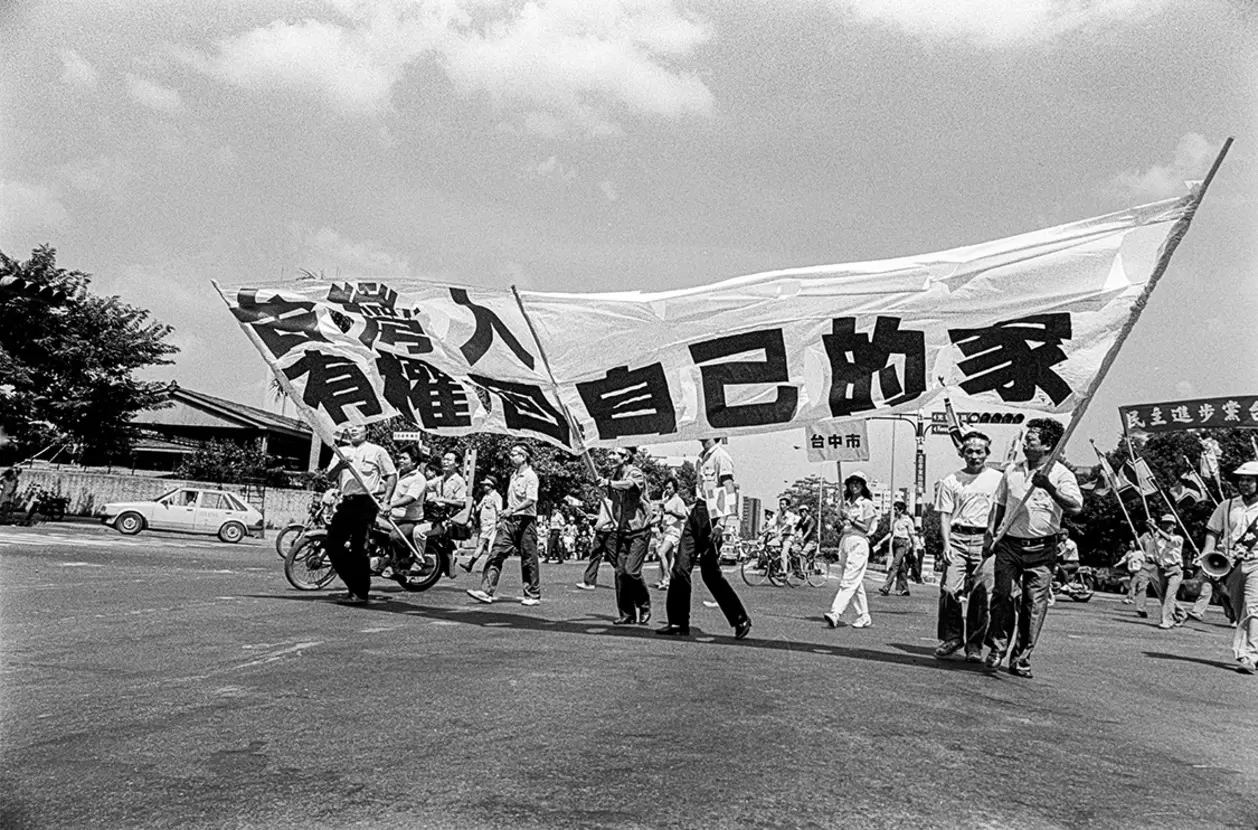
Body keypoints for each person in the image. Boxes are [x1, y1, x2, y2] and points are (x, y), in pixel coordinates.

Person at [981, 417, 1082, 678]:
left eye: (1032, 440)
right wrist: (990, 534)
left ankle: (1021, 657)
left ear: (1048, 445)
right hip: (1010, 545)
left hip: (1042, 549)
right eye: (1026, 439)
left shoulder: (1060, 473)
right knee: (1002, 596)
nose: (1025, 443)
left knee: (1033, 605)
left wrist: (1048, 487)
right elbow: (999, 504)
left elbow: (1075, 506)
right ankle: (997, 648)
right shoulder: (1012, 471)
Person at [658, 437, 752, 639]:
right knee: (679, 569)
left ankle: (740, 618)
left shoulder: (721, 457)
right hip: (698, 511)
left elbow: (728, 488)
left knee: (710, 575)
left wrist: (722, 523)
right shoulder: (701, 458)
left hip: (713, 515)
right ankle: (677, 622)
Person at [934, 431, 1002, 661]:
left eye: (979, 452)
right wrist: (946, 544)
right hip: (958, 538)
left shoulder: (997, 479)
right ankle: (952, 637)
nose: (974, 456)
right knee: (949, 590)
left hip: (986, 540)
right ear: (962, 453)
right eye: (969, 451)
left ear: (986, 453)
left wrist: (993, 539)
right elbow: (944, 514)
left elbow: (1000, 510)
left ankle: (974, 645)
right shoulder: (951, 480)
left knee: (982, 595)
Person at [324, 424, 397, 606]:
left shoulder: (377, 451)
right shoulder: (340, 451)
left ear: (367, 431)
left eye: (358, 426)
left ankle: (360, 592)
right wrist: (340, 465)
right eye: (350, 427)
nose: (353, 430)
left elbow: (391, 475)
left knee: (359, 548)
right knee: (332, 544)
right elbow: (329, 477)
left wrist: (386, 501)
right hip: (346, 502)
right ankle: (353, 583)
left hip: (366, 503)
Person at [1199, 461, 1258, 674]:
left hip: (1256, 562)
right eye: (1242, 479)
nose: (1244, 483)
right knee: (1238, 607)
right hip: (1231, 564)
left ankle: (1249, 655)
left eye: (1249, 480)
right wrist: (1208, 552)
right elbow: (1212, 531)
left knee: (1253, 607)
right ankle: (1246, 651)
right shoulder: (1227, 505)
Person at [468, 442, 542, 606]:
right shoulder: (513, 475)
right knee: (496, 553)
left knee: (528, 559)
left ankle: (533, 595)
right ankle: (486, 591)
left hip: (525, 521)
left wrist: (512, 510)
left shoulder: (531, 476)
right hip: (509, 521)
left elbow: (531, 500)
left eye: (514, 453)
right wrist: (506, 512)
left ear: (523, 457)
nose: (510, 456)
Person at [600, 446, 652, 625]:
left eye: (615, 454)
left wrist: (608, 483)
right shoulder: (614, 476)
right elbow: (612, 504)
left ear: (626, 457)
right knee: (620, 573)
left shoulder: (634, 472)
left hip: (639, 531)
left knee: (632, 571)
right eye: (610, 453)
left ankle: (644, 604)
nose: (611, 456)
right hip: (622, 530)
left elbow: (629, 485)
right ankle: (627, 614)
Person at [823, 471, 877, 630]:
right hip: (845, 541)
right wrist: (839, 521)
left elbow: (866, 528)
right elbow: (839, 523)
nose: (855, 485)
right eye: (852, 482)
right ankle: (864, 615)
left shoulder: (866, 504)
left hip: (859, 542)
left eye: (859, 482)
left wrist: (851, 519)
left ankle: (835, 612)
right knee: (855, 582)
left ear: (863, 486)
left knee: (848, 580)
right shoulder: (844, 503)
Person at [413, 450, 468, 578]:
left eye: (449, 460)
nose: (445, 462)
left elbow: (461, 503)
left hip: (445, 521)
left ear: (457, 464)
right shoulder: (440, 480)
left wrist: (442, 500)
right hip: (434, 517)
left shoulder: (459, 481)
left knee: (418, 531)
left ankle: (419, 560)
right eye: (444, 459)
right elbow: (424, 486)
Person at [1142, 514, 1187, 630]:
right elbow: (1150, 552)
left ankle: (1167, 621)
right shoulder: (1156, 540)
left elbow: (1168, 539)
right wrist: (1150, 528)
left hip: (1175, 570)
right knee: (1164, 597)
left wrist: (1155, 527)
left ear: (1174, 526)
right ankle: (1182, 614)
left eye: (1169, 523)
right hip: (1161, 570)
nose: (1167, 525)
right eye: (1164, 523)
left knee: (1169, 596)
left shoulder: (1178, 538)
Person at [386, 446, 428, 566]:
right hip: (392, 518)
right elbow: (386, 487)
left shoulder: (419, 479)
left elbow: (410, 497)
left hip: (410, 520)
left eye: (404, 458)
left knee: (395, 536)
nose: (400, 461)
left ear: (414, 461)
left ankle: (401, 562)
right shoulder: (396, 475)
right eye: (399, 458)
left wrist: (391, 505)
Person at [460, 476, 502, 574]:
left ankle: (491, 567)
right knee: (481, 545)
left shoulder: (497, 497)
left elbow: (499, 511)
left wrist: (498, 523)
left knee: (490, 547)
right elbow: (478, 508)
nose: (483, 486)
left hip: (491, 526)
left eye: (486, 485)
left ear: (491, 486)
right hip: (484, 525)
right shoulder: (486, 496)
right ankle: (470, 564)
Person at [877, 500, 917, 597]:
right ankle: (903, 589)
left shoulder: (908, 520)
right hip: (894, 542)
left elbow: (912, 535)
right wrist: (881, 541)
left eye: (896, 509)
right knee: (901, 567)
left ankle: (886, 587)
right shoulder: (895, 520)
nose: (894, 511)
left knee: (894, 565)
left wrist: (914, 549)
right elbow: (891, 533)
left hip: (903, 543)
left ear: (902, 510)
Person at [653, 478, 687, 590]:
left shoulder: (679, 501)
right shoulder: (666, 500)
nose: (667, 490)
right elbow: (660, 516)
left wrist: (672, 512)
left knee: (660, 552)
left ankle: (666, 578)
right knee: (668, 556)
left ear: (675, 488)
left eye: (670, 488)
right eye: (666, 488)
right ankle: (666, 580)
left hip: (674, 532)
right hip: (666, 531)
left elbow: (683, 515)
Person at [577, 496, 614, 589]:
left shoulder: (608, 501)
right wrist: (595, 517)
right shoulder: (604, 502)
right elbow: (604, 516)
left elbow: (611, 517)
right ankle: (589, 581)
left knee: (614, 557)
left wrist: (598, 525)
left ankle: (628, 580)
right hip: (602, 531)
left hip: (608, 531)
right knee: (595, 555)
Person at [1048, 529, 1080, 606]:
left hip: (1074, 563)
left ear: (1067, 535)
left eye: (1062, 535)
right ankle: (1058, 583)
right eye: (1059, 535)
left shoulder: (1071, 543)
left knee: (1063, 568)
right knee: (1057, 566)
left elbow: (1065, 550)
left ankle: (1066, 584)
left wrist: (1059, 555)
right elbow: (1055, 549)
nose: (1060, 536)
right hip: (1066, 562)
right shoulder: (1061, 544)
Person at [1114, 540, 1146, 606]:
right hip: (1131, 572)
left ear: (1136, 545)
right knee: (1133, 585)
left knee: (1132, 585)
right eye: (1129, 544)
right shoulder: (1129, 552)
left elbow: (1145, 562)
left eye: (1131, 544)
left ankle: (1130, 598)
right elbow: (1124, 559)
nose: (1130, 545)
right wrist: (1117, 564)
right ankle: (1132, 598)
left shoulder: (1140, 553)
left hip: (1138, 572)